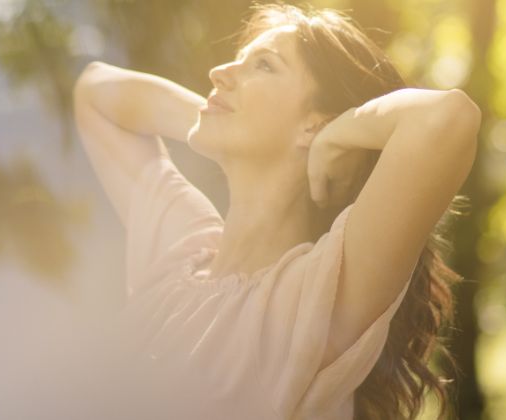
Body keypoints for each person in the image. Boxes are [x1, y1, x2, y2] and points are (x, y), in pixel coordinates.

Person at [71, 2, 480, 419]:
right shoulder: (181, 254)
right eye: (239, 60)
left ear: (313, 124)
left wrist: (337, 134)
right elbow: (93, 91)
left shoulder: (313, 301)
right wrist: (211, 121)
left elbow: (447, 119)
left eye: (263, 65)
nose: (220, 73)